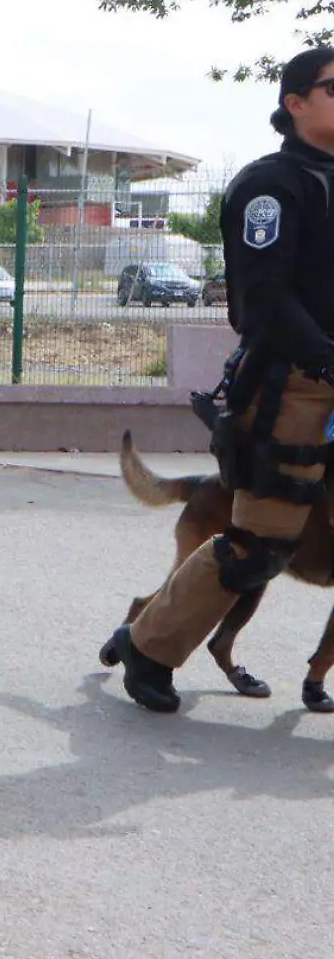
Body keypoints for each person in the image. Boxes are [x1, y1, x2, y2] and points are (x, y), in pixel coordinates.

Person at [103, 47, 334, 714]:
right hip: (292, 385)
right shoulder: (272, 187)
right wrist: (324, 355)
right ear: (295, 104)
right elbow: (263, 295)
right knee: (257, 546)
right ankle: (150, 644)